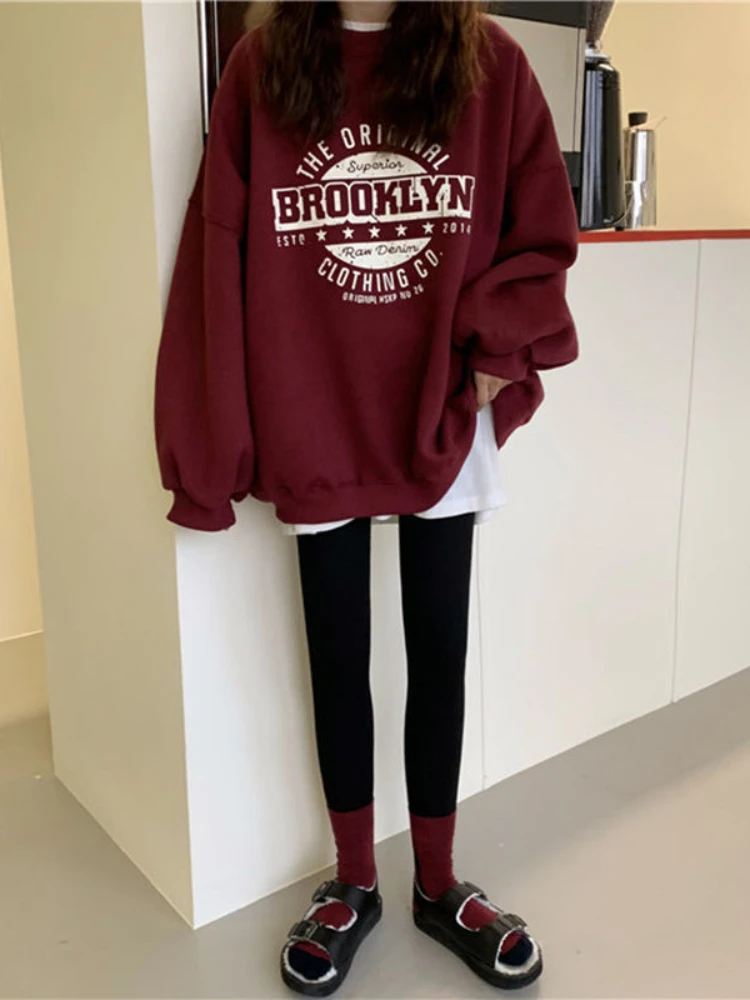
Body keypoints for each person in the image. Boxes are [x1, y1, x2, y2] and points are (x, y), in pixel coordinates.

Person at [155, 1, 578, 994]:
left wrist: (497, 349)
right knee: (338, 656)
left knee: (439, 651)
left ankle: (437, 881)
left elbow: (541, 227)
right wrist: (214, 432)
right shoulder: (263, 66)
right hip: (313, 403)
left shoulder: (488, 62)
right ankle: (354, 881)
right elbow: (219, 251)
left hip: (441, 405)